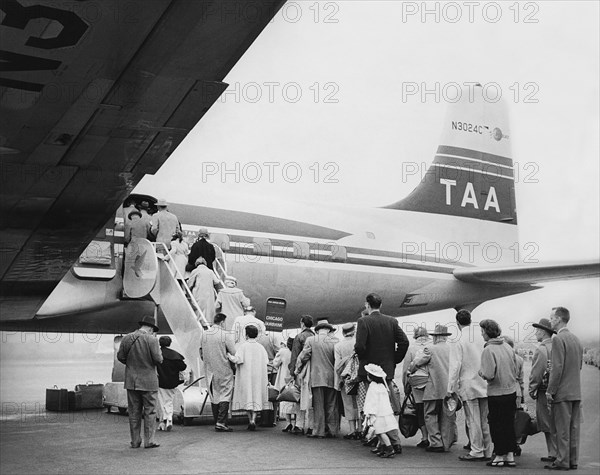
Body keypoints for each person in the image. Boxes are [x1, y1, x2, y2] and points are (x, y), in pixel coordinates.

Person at [447, 310, 492, 462]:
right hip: (484, 382)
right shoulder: (480, 337)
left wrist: (450, 388)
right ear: (470, 320)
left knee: (472, 420)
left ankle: (476, 450)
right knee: (485, 419)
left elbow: (455, 366)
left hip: (468, 383)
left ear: (457, 323)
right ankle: (487, 450)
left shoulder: (458, 340)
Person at [354, 293, 409, 415]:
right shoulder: (392, 321)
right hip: (387, 367)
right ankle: (391, 421)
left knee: (373, 402)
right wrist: (394, 359)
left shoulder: (363, 321)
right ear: (381, 305)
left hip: (368, 369)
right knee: (388, 400)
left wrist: (363, 357)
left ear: (367, 305)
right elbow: (404, 342)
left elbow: (359, 346)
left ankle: (376, 429)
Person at [545, 307, 583, 471]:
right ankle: (572, 460)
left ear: (559, 319)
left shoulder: (558, 339)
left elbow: (557, 367)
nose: (550, 320)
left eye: (552, 318)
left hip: (562, 392)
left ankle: (562, 461)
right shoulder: (576, 339)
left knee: (561, 429)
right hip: (575, 390)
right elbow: (579, 365)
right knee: (573, 429)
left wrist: (550, 390)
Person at [116, 315, 163, 449]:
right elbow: (158, 359)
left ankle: (135, 441)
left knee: (134, 412)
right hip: (149, 381)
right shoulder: (152, 339)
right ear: (150, 328)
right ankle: (149, 441)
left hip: (131, 381)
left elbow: (120, 357)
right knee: (150, 411)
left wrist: (131, 364)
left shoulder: (127, 338)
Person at [478, 319, 518, 467]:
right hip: (511, 391)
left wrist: (480, 372)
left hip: (496, 392)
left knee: (496, 424)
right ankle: (510, 455)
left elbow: (489, 374)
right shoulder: (508, 346)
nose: (481, 334)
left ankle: (499, 455)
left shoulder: (488, 350)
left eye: (482, 331)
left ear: (487, 332)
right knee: (508, 424)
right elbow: (514, 367)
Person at [297, 318, 340, 439]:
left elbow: (304, 356)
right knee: (331, 404)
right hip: (332, 377)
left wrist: (298, 370)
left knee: (318, 405)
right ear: (329, 330)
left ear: (317, 330)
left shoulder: (311, 340)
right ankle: (332, 430)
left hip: (317, 377)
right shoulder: (335, 341)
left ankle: (319, 431)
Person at [419, 324, 455, 453]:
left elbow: (417, 362)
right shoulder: (452, 349)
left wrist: (410, 370)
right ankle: (446, 442)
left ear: (436, 337)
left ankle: (435, 442)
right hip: (450, 388)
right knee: (447, 415)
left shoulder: (429, 349)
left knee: (430, 414)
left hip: (433, 387)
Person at [228, 325, 270, 430]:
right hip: (258, 377)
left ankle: (250, 419)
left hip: (246, 376)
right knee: (256, 396)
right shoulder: (261, 347)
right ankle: (253, 420)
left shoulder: (243, 346)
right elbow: (266, 361)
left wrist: (229, 356)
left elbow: (238, 359)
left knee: (247, 396)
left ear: (246, 334)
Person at [201, 312, 237, 432]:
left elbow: (201, 352)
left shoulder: (204, 334)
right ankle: (221, 422)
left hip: (209, 370)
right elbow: (233, 352)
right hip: (224, 369)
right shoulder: (225, 335)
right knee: (225, 394)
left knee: (214, 395)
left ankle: (217, 420)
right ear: (222, 322)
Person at [528, 317, 557, 464]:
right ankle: (557, 452)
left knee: (546, 423)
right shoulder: (557, 346)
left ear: (543, 332)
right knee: (556, 422)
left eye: (537, 331)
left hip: (544, 390)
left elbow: (537, 372)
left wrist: (532, 389)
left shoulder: (541, 349)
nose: (535, 334)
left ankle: (553, 452)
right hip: (557, 389)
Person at [363, 364, 402, 458]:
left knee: (381, 432)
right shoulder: (382, 386)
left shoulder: (372, 386)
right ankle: (383, 448)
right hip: (385, 412)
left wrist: (369, 413)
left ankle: (389, 449)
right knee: (380, 431)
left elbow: (371, 401)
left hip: (377, 413)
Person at [403, 326, 431, 448]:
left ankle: (425, 437)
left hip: (417, 383)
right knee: (432, 410)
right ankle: (436, 436)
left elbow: (405, 370)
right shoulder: (431, 346)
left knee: (420, 410)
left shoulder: (411, 348)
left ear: (415, 335)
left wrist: (406, 385)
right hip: (431, 382)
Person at [288, 315, 315, 435]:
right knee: (312, 399)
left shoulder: (299, 337)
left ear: (302, 324)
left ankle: (299, 425)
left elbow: (295, 356)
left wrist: (293, 371)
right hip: (314, 371)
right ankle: (311, 426)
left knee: (299, 399)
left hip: (301, 371)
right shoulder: (315, 336)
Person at [334, 322, 360, 440]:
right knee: (359, 402)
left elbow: (337, 366)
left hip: (346, 377)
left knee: (348, 403)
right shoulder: (358, 343)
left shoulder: (338, 346)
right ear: (354, 331)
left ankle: (352, 430)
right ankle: (360, 428)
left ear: (343, 333)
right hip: (358, 377)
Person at [156, 336, 186, 432]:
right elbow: (183, 367)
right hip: (172, 382)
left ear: (159, 343)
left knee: (162, 402)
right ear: (170, 343)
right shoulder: (175, 355)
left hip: (160, 382)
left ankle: (165, 419)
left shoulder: (156, 354)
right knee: (169, 401)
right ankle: (167, 419)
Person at [187, 257, 220, 324]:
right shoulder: (210, 271)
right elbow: (216, 281)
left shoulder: (196, 271)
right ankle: (208, 323)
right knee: (208, 308)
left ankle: (198, 323)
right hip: (209, 292)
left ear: (196, 263)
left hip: (199, 292)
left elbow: (190, 283)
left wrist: (188, 289)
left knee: (198, 308)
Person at [273, 338, 295, 432]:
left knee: (285, 399)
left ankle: (288, 423)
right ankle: (297, 423)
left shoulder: (282, 351)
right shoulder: (298, 351)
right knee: (295, 400)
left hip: (284, 379)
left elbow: (275, 364)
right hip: (294, 378)